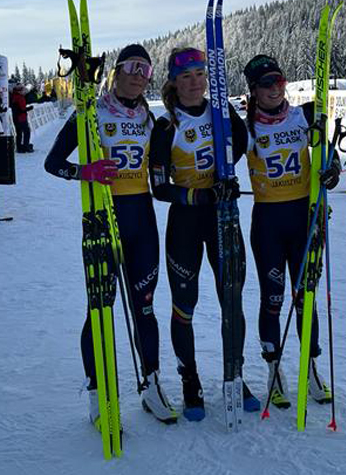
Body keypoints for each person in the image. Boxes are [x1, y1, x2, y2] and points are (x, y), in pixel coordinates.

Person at [45, 44, 177, 426]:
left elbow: (158, 175)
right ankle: (97, 393)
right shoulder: (91, 113)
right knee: (100, 311)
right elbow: (52, 163)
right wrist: (83, 172)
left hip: (142, 222)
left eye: (146, 71)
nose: (139, 75)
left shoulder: (151, 121)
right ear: (115, 72)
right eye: (132, 67)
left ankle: (151, 383)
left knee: (146, 308)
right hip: (103, 219)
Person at [149, 47, 257, 421]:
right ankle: (189, 380)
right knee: (185, 305)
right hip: (187, 222)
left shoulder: (222, 112)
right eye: (185, 77)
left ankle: (234, 373)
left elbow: (241, 145)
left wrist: (225, 178)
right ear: (174, 83)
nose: (194, 82)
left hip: (223, 217)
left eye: (199, 74)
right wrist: (200, 193)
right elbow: (159, 187)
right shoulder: (166, 126)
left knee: (232, 298)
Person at [241, 54, 341, 410]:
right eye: (266, 84)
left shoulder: (306, 115)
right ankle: (273, 370)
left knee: (306, 297)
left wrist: (332, 169)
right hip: (267, 221)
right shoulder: (246, 127)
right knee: (273, 298)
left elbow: (328, 153)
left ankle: (310, 366)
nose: (275, 89)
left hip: (304, 218)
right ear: (253, 90)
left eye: (279, 81)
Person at [11, 84, 34, 153]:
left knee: (19, 133)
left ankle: (19, 147)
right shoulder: (20, 98)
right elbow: (22, 109)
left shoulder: (14, 97)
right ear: (19, 91)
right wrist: (28, 108)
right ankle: (25, 146)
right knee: (26, 131)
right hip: (21, 118)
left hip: (16, 117)